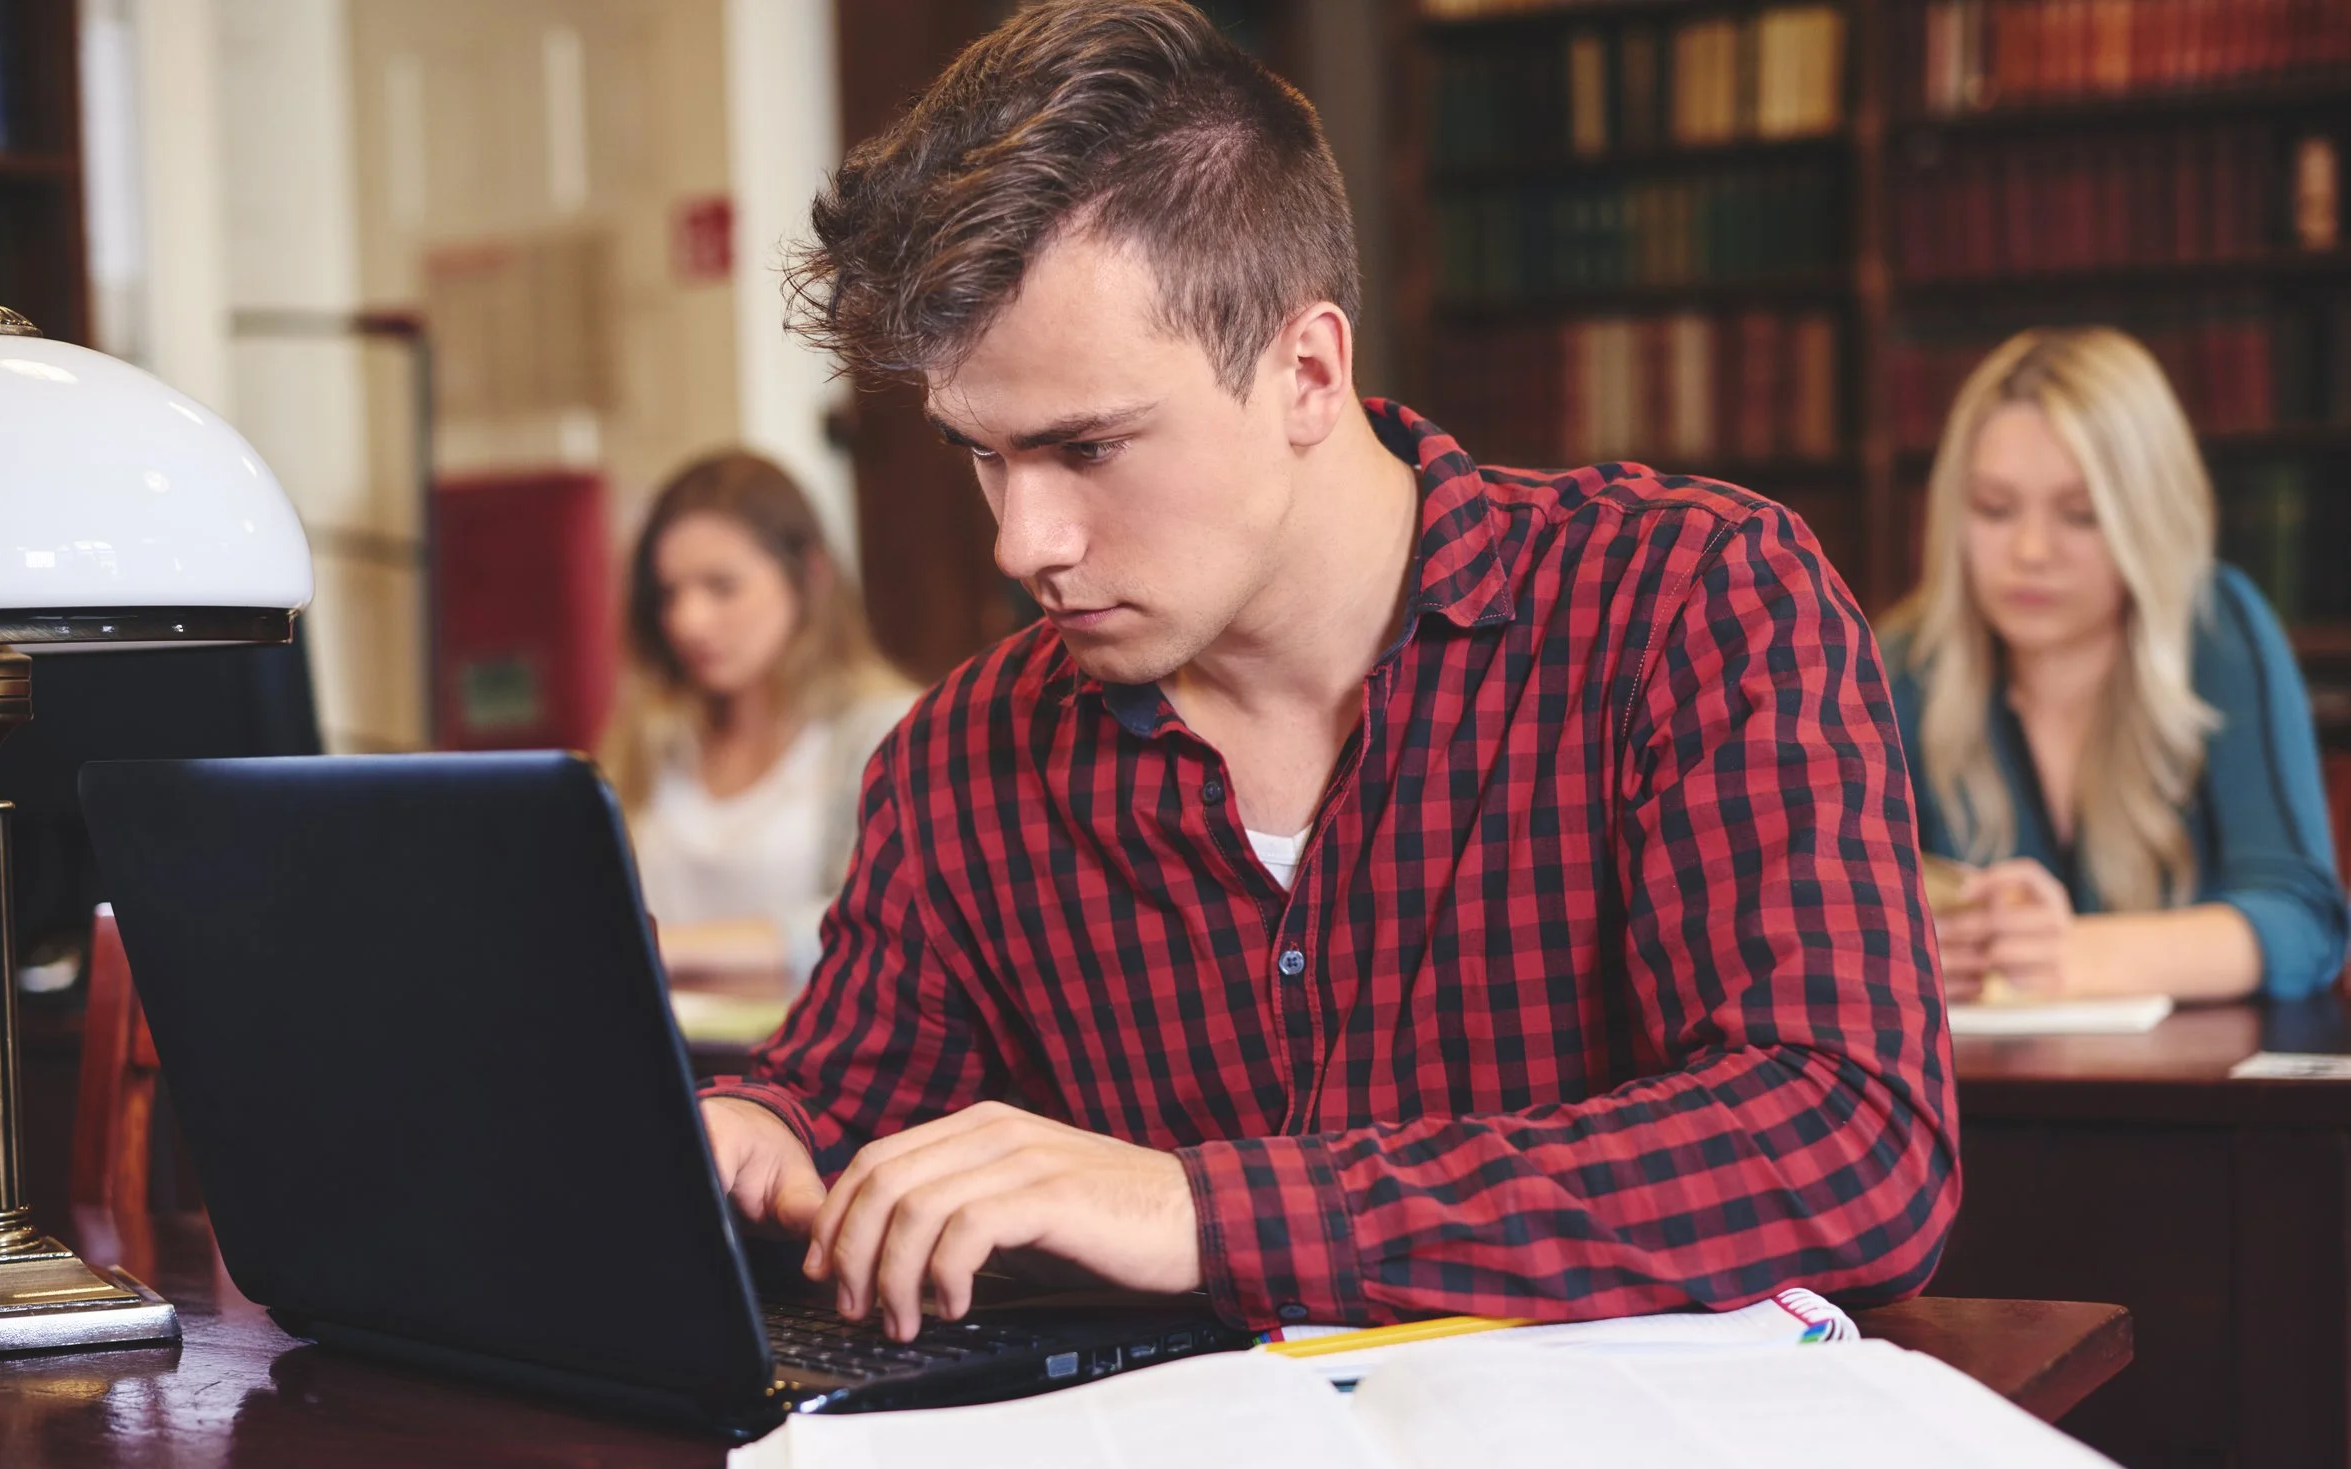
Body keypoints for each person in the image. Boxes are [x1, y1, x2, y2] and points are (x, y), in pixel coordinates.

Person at [699, 0, 1957, 1341]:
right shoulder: (963, 760)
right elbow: (827, 1107)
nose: (1024, 543)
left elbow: (1849, 1142)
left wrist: (1199, 1211)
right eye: (983, 454)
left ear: (1306, 370)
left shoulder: (1689, 603)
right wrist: (748, 1136)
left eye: (1088, 448)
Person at [1881, 328, 2347, 1004]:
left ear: (2149, 518)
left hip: (2191, 1071)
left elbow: (2304, 923)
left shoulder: (2216, 629)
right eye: (1994, 509)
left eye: (2081, 515)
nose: (2031, 551)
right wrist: (1902, 953)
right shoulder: (1900, 665)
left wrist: (2070, 954)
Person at [597, 451, 916, 984]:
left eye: (722, 587)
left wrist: (663, 948)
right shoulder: (652, 734)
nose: (689, 621)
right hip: (658, 1034)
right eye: (670, 594)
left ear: (810, 576)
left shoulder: (885, 730)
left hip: (807, 1035)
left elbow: (888, 920)